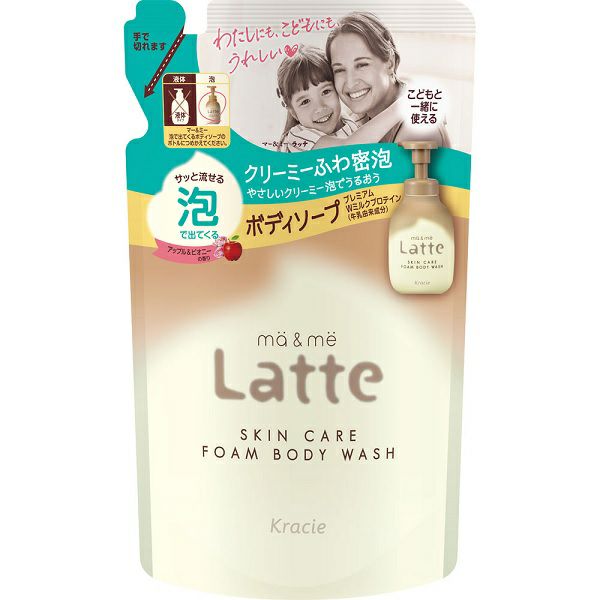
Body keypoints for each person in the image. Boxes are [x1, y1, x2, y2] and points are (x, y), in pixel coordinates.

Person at [326, 12, 451, 146]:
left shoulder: (417, 130)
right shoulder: (360, 117)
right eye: (339, 70)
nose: (350, 83)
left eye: (362, 65)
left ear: (390, 63)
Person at [276, 45, 403, 152]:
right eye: (305, 101)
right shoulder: (297, 138)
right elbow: (348, 148)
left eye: (326, 91)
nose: (320, 107)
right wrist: (401, 107)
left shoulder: (348, 120)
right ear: (292, 110)